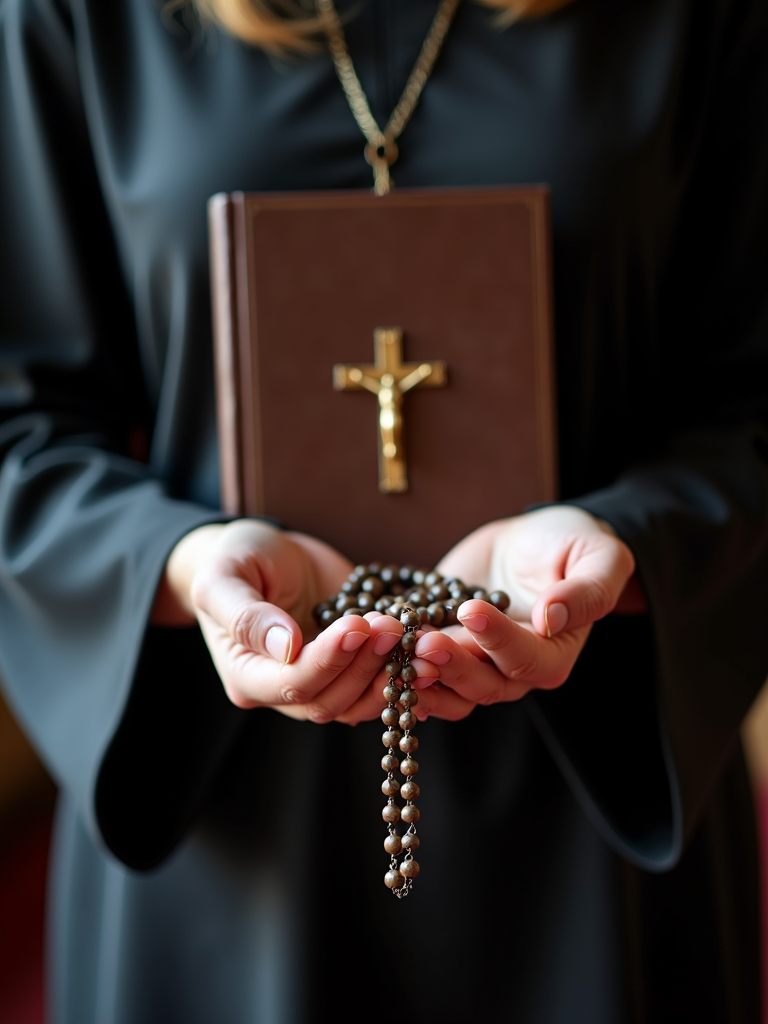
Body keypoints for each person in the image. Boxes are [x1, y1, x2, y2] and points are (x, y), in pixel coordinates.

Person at [0, 0, 766, 1021]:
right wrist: (183, 563)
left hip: (587, 803)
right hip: (216, 811)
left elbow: (751, 396)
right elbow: (19, 420)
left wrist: (628, 540)